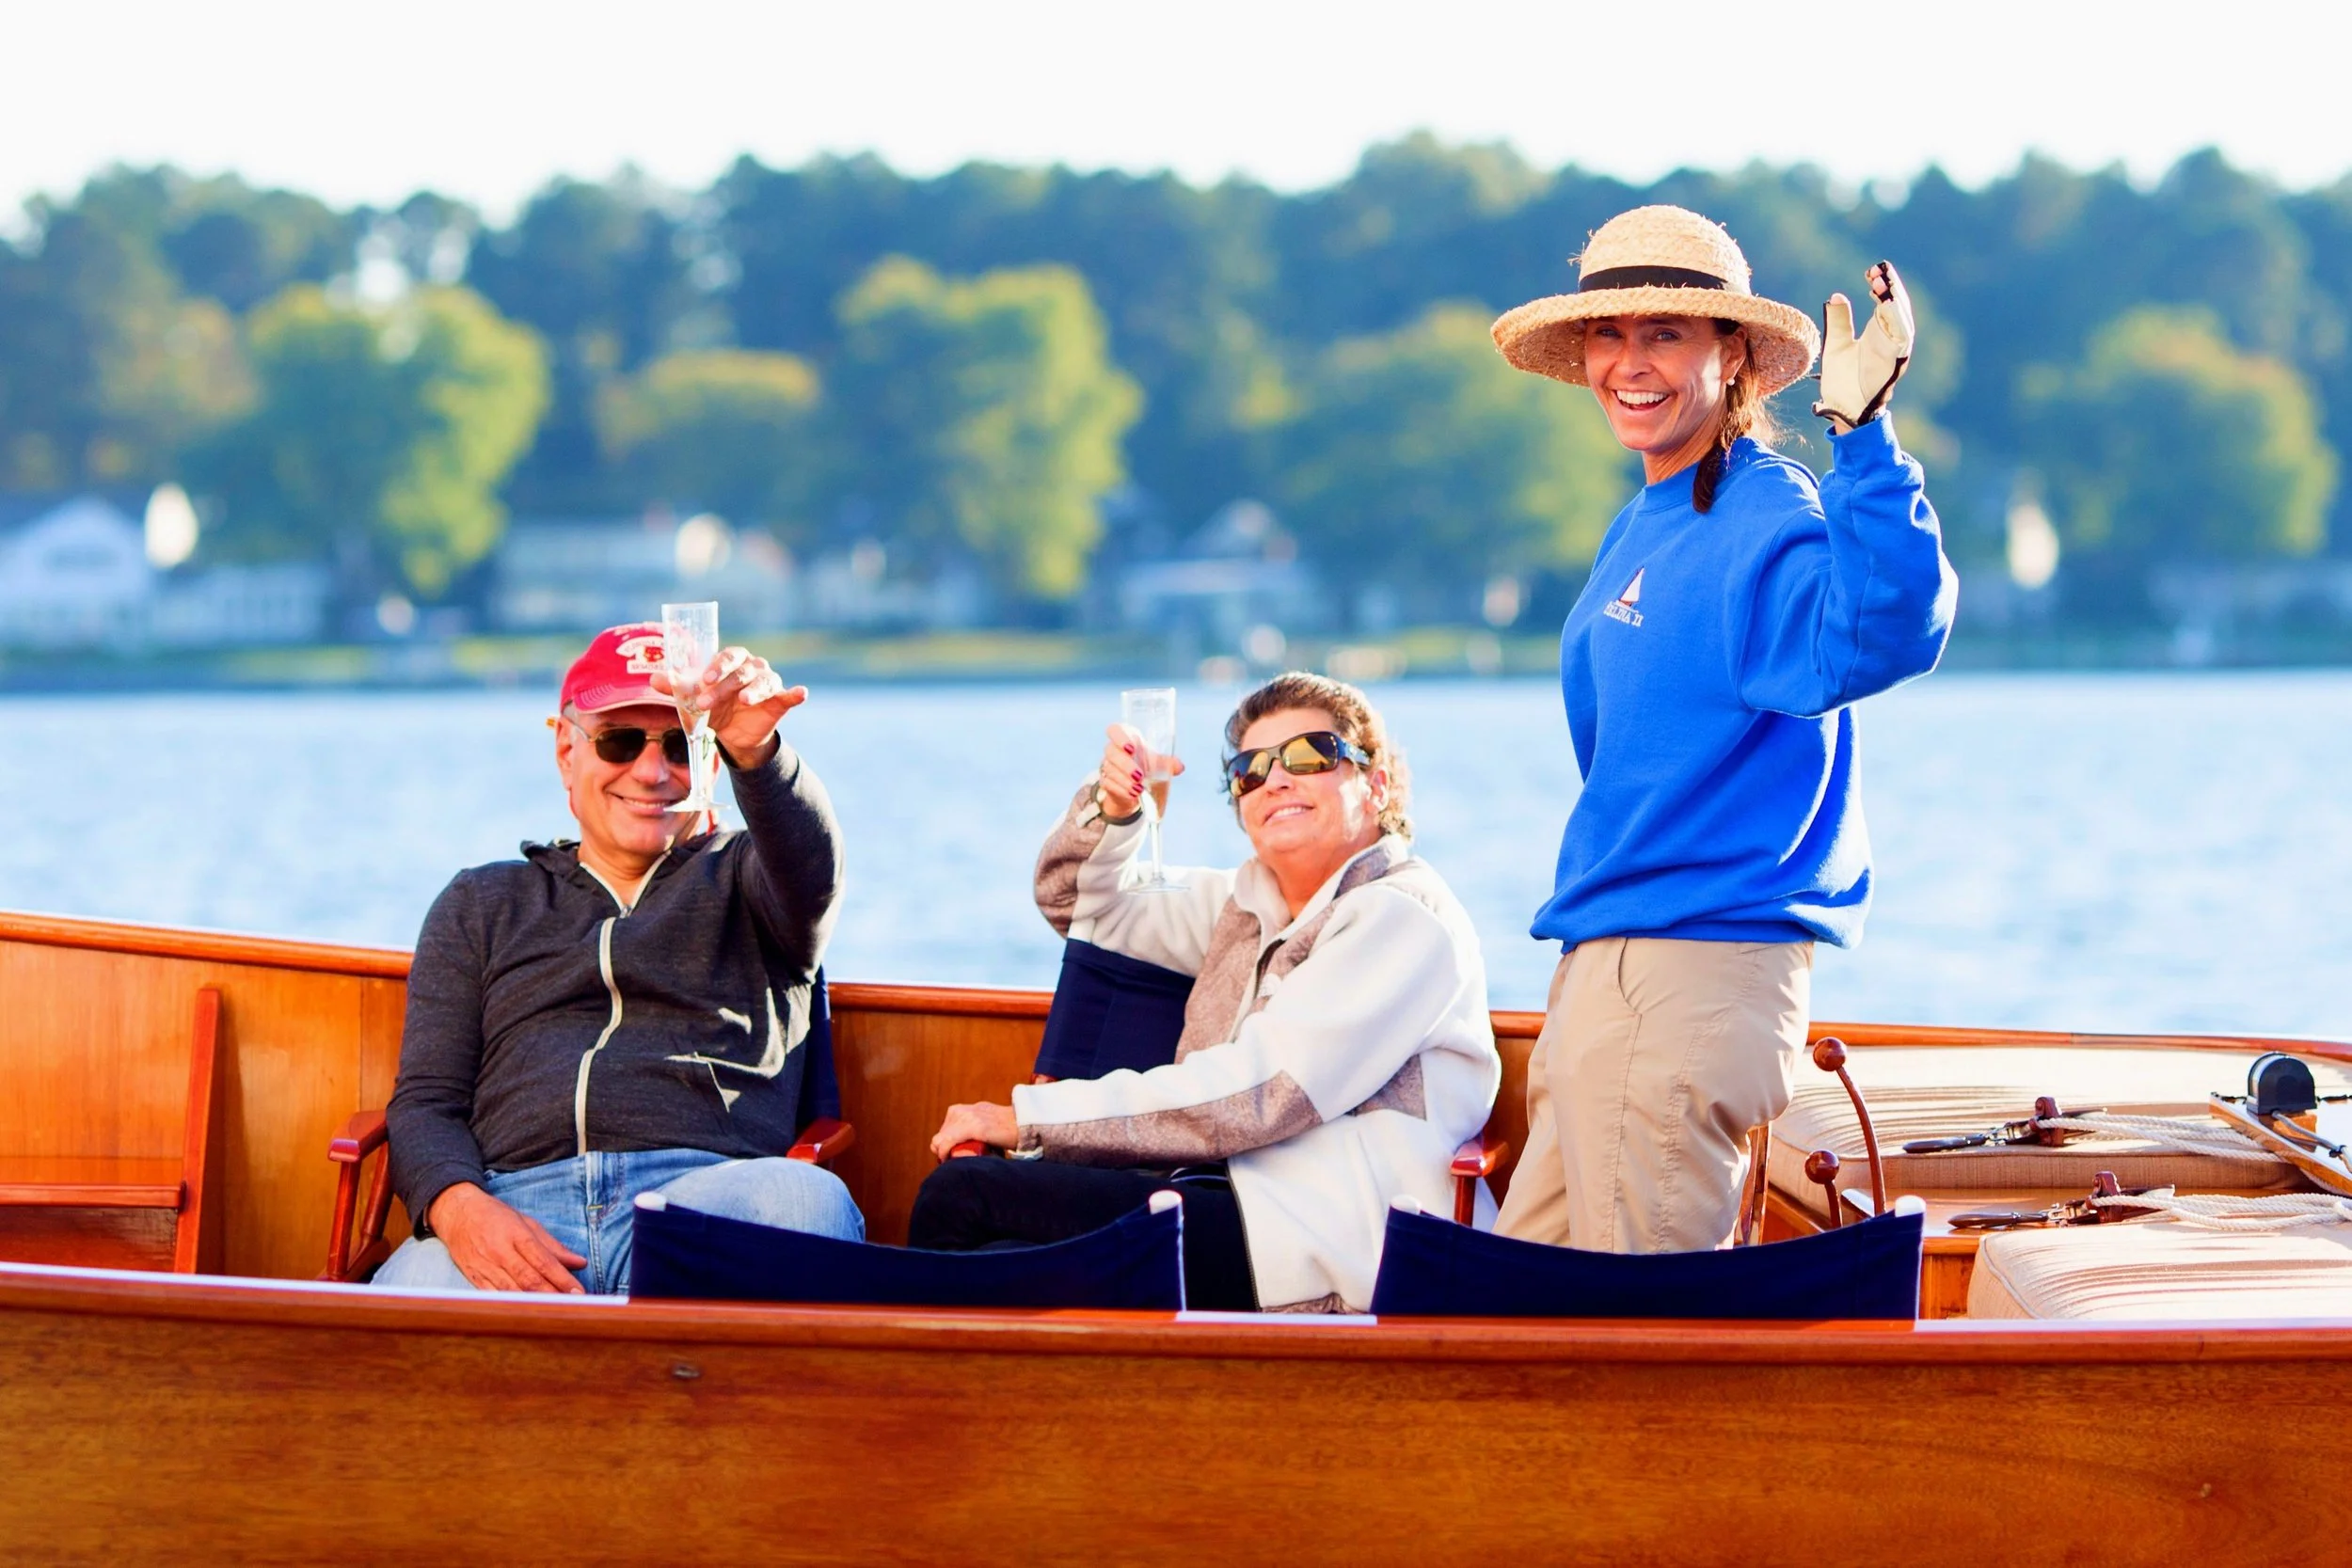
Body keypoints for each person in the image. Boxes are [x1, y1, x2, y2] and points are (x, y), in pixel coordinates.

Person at [1486, 204, 1956, 1255]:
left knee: (1639, 1359)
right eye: (1610, 334)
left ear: (1732, 352)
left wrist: (1865, 439)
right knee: (1526, 1324)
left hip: (1689, 972)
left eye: (1665, 333)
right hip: (1606, 970)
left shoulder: (1763, 509)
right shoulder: (1648, 512)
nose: (1629, 361)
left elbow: (1882, 631)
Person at [912, 673, 1499, 1314]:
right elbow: (1079, 901)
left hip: (1335, 1251)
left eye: (1310, 755)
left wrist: (1028, 1121)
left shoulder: (1404, 917)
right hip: (1229, 1205)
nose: (1276, 778)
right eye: (1251, 769)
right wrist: (1118, 809)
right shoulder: (1244, 907)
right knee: (995, 1256)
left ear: (1377, 782)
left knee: (965, 1196)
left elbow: (1263, 1092)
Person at [376, 623, 864, 1293]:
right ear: (565, 751)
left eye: (681, 746)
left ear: (712, 761)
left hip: (704, 1200)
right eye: (619, 740)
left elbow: (815, 868)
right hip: (513, 1206)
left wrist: (762, 756)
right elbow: (427, 1103)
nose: (652, 770)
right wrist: (461, 1211)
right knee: (407, 1292)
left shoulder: (758, 878)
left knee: (806, 1203)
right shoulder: (481, 902)